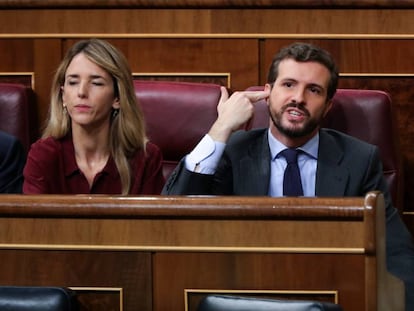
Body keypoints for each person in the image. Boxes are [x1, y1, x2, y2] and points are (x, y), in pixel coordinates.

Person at [163, 42, 414, 309]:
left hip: (328, 295)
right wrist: (221, 127)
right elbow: (174, 217)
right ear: (267, 93)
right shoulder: (233, 151)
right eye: (288, 85)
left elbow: (396, 254)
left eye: (313, 90)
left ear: (328, 105)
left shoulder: (359, 160)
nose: (298, 98)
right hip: (245, 296)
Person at [23, 38, 165, 195]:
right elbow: (33, 220)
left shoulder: (146, 159)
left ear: (117, 98)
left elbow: (153, 220)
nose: (82, 92)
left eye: (96, 83)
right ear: (63, 96)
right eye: (73, 82)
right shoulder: (43, 156)